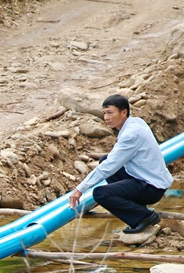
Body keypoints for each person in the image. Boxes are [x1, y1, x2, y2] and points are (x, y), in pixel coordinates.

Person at [69, 94, 173, 233]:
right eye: (104, 113)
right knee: (104, 160)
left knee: (101, 194)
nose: (106, 118)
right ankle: (138, 208)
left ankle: (143, 217)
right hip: (150, 179)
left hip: (151, 187)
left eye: (110, 113)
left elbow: (108, 167)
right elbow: (109, 163)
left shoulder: (131, 134)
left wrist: (80, 189)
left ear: (124, 112)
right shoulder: (136, 122)